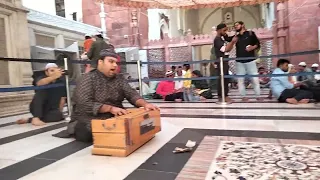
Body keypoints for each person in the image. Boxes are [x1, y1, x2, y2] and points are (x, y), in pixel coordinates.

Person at [53, 49, 158, 142]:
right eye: (111, 62)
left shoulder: (119, 79)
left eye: (116, 63)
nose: (115, 65)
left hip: (113, 117)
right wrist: (110, 108)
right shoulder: (88, 79)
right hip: (88, 118)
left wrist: (145, 104)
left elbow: (131, 94)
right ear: (100, 62)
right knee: (88, 132)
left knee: (136, 126)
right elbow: (83, 104)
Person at [234, 21, 262, 102]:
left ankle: (258, 95)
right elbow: (228, 40)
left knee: (255, 79)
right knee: (240, 80)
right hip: (239, 61)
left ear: (242, 25)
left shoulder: (250, 33)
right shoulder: (236, 37)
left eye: (237, 25)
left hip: (250, 60)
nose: (236, 26)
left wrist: (252, 48)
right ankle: (243, 96)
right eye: (235, 25)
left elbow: (257, 43)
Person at [213, 23, 237, 102]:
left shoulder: (223, 38)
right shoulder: (217, 40)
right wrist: (233, 42)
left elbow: (229, 41)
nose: (226, 31)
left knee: (225, 78)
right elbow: (226, 49)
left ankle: (224, 95)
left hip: (225, 61)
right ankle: (223, 96)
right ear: (219, 30)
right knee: (222, 79)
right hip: (221, 61)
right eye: (224, 30)